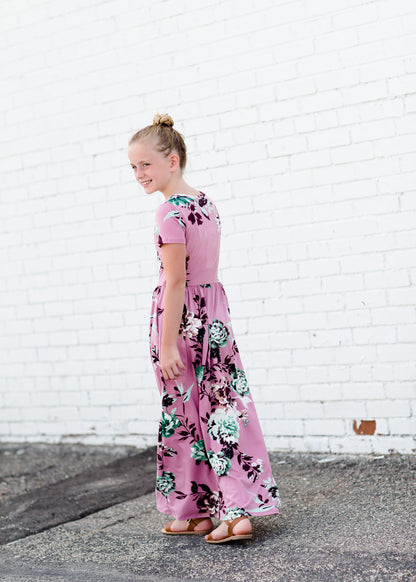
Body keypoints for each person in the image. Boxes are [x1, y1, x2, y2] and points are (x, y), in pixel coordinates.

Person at [128, 113, 281, 543]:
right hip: (213, 316)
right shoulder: (206, 203)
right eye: (134, 167)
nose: (139, 174)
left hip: (182, 321)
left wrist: (167, 344)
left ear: (172, 160)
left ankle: (233, 513)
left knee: (190, 410)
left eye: (146, 165)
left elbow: (176, 280)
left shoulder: (168, 213)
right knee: (220, 406)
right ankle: (196, 510)